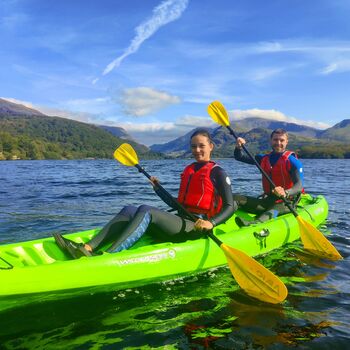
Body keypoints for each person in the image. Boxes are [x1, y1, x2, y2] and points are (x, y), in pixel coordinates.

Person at [54, 129, 237, 259]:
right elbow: (177, 205)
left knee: (146, 210)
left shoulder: (218, 172)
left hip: (196, 228)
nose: (197, 150)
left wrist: (210, 223)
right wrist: (158, 189)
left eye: (201, 146)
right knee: (129, 209)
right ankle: (87, 247)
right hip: (181, 220)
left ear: (211, 146)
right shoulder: (189, 169)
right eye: (193, 146)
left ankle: (109, 255)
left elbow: (230, 206)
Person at [233, 128, 304, 227]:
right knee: (234, 197)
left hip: (286, 202)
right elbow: (239, 157)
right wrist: (238, 147)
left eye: (282, 140)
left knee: (274, 210)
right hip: (267, 200)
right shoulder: (263, 159)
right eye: (275, 140)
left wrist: (285, 192)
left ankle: (254, 224)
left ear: (286, 142)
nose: (278, 143)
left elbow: (299, 186)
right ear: (271, 141)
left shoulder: (293, 162)